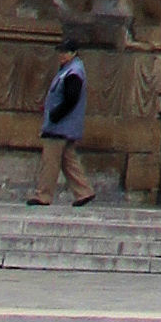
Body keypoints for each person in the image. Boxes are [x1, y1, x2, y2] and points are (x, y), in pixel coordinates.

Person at [32, 46, 98, 208]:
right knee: (68, 161)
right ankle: (84, 192)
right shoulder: (69, 70)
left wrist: (56, 114)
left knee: (50, 161)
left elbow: (71, 99)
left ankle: (44, 195)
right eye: (60, 52)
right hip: (65, 126)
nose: (61, 55)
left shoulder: (73, 73)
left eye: (66, 52)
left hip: (60, 126)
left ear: (74, 53)